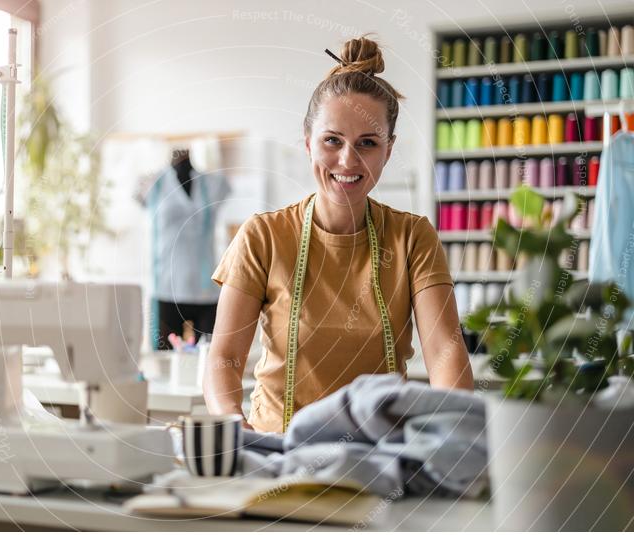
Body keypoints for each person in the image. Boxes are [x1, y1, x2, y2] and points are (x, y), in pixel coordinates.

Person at [203, 35, 473, 433]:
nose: (348, 160)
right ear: (308, 140)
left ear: (389, 149)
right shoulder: (263, 236)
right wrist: (233, 426)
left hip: (378, 454)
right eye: (333, 140)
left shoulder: (413, 238)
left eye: (368, 143)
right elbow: (223, 358)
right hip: (278, 452)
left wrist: (455, 434)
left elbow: (445, 353)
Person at [143, 147, 231, 350]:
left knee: (212, 357)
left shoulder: (214, 183)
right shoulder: (152, 184)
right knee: (164, 362)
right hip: (166, 288)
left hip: (206, 289)